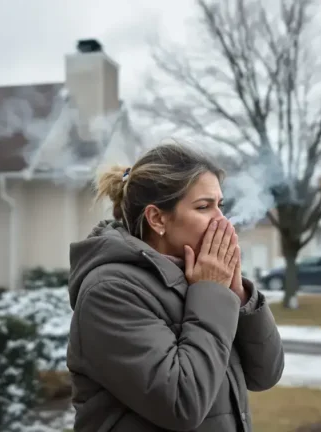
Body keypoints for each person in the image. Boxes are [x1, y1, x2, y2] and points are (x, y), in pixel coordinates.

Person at [66, 144, 285, 431]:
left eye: (221, 205)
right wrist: (211, 293)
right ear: (157, 218)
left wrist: (238, 296)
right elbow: (182, 403)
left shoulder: (197, 279)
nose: (221, 220)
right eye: (204, 207)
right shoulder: (109, 291)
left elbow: (265, 374)